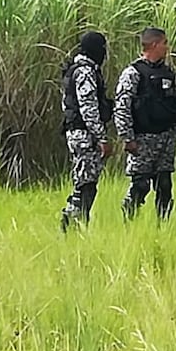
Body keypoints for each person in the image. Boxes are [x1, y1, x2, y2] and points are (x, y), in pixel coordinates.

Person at [114, 27, 176, 221]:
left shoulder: (169, 73)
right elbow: (122, 106)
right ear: (154, 45)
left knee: (164, 186)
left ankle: (164, 226)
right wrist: (128, 138)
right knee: (141, 185)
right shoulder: (133, 73)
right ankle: (129, 219)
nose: (167, 48)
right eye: (164, 43)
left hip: (166, 139)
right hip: (142, 139)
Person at [60, 30, 113, 232]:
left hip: (76, 133)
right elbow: (88, 107)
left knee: (84, 181)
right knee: (86, 184)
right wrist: (101, 137)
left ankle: (75, 223)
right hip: (85, 135)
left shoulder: (74, 69)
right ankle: (73, 224)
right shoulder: (85, 71)